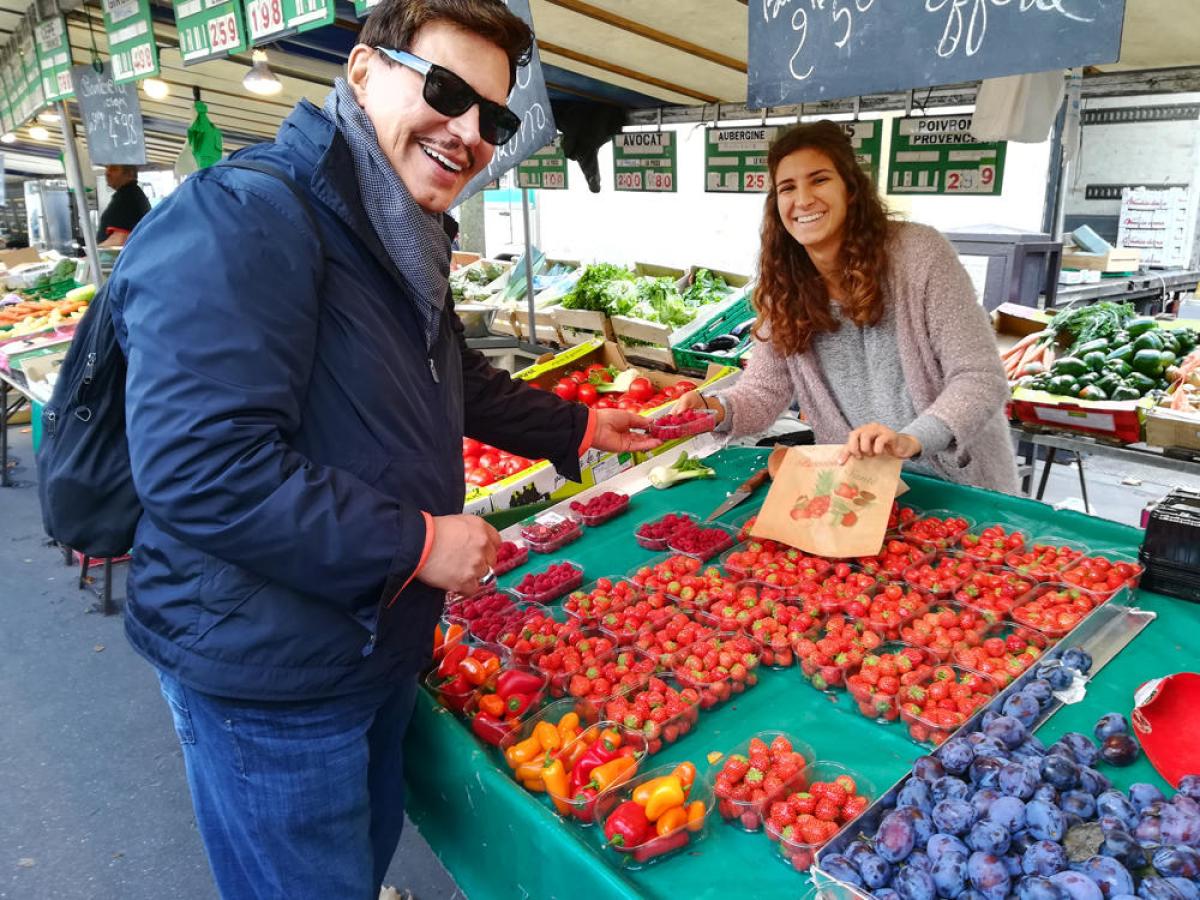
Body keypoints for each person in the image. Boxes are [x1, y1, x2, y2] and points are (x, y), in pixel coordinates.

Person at [105, 1, 656, 895]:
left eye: (496, 117)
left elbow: (444, 373)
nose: (471, 132)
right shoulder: (250, 215)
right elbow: (200, 467)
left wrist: (575, 426)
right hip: (271, 668)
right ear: (362, 71)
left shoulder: (391, 230)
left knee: (351, 860)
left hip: (369, 637)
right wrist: (419, 542)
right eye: (445, 90)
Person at [677, 122, 1018, 492]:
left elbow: (980, 377)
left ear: (850, 189)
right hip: (860, 487)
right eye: (787, 188)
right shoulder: (784, 283)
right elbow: (763, 390)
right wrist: (716, 408)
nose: (803, 199)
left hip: (960, 484)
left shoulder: (919, 254)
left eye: (819, 180)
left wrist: (911, 439)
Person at [96, 164, 151, 243]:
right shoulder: (134, 194)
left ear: (130, 174)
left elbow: (120, 239)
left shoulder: (127, 197)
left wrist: (93, 254)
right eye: (107, 168)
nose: (107, 173)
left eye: (113, 169)